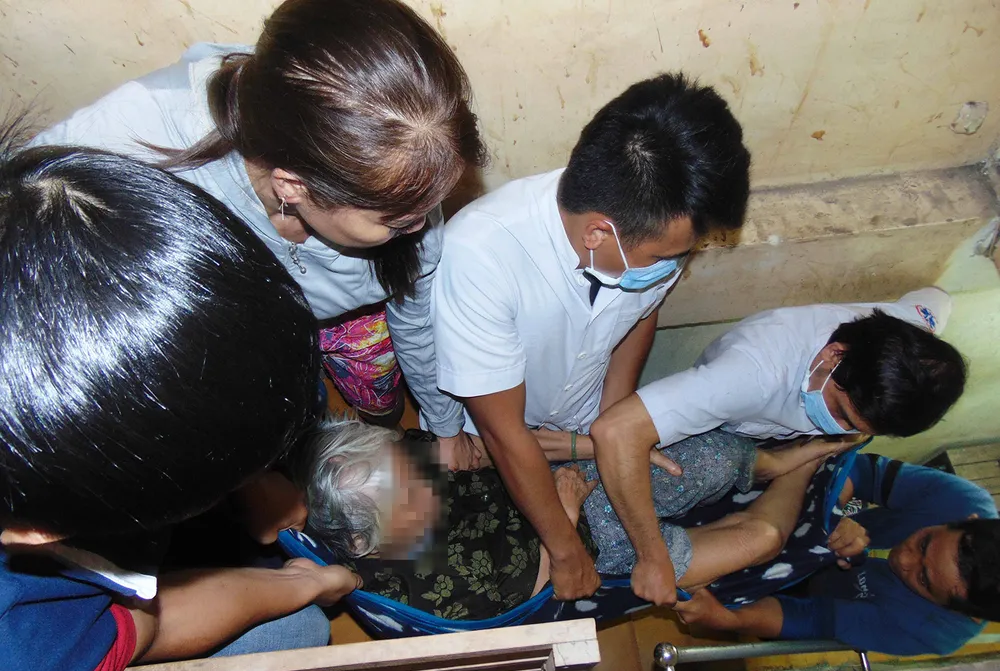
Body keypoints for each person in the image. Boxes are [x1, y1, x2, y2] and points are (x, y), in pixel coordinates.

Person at [0, 135, 361, 671]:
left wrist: (250, 479)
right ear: (40, 530)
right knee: (300, 629)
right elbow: (148, 624)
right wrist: (301, 586)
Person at [31, 0, 488, 446]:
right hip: (232, 342)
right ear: (292, 187)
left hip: (350, 325)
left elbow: (415, 319)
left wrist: (444, 424)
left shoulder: (400, 183)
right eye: (399, 221)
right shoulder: (133, 141)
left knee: (380, 402)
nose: (424, 227)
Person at [432, 72, 752, 600]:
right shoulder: (481, 256)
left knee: (708, 467)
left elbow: (641, 314)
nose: (671, 267)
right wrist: (566, 551)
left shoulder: (649, 230)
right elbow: (505, 435)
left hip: (586, 420)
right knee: (498, 572)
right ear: (598, 232)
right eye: (663, 258)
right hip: (497, 444)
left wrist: (614, 423)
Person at [279, 415, 865, 621]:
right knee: (761, 539)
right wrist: (565, 511)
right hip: (591, 544)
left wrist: (591, 449)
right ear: (366, 540)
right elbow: (538, 594)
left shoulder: (377, 466)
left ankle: (779, 462)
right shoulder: (425, 590)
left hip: (555, 478)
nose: (428, 484)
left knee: (720, 456)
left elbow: (483, 448)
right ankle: (807, 470)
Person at [590, 289, 967, 606]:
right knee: (729, 487)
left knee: (763, 534)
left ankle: (795, 460)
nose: (840, 430)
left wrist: (809, 453)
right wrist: (651, 553)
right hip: (729, 424)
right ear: (834, 355)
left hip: (745, 453)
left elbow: (938, 298)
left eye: (858, 429)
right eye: (841, 413)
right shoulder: (749, 376)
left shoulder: (911, 342)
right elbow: (615, 431)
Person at [675, 454, 1000, 657]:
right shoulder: (961, 499)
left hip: (804, 596)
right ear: (969, 519)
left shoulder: (935, 632)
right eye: (924, 543)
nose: (904, 560)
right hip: (804, 519)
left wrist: (726, 619)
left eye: (923, 580)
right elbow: (863, 471)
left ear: (958, 611)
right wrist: (829, 511)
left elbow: (813, 617)